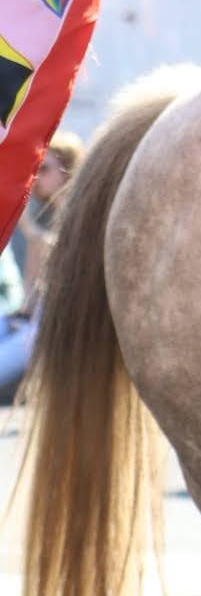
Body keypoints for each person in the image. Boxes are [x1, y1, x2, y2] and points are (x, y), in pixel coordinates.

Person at [0, 133, 83, 406]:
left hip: (62, 325)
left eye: (44, 169)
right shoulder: (44, 218)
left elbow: (70, 258)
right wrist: (23, 313)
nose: (36, 177)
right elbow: (32, 288)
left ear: (66, 171)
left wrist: (32, 233)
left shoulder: (80, 215)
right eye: (35, 170)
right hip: (38, 318)